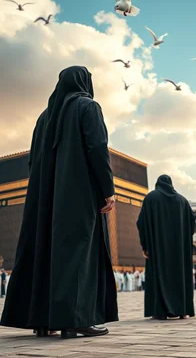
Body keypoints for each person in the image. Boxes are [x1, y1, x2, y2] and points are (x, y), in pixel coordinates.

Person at [1, 66, 118, 339]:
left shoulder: (44, 118)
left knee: (45, 252)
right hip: (78, 194)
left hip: (44, 199)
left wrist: (42, 192)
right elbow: (97, 148)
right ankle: (75, 320)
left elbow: (33, 161)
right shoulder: (88, 107)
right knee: (78, 251)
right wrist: (107, 189)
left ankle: (42, 320)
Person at [137, 174, 196, 320]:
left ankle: (160, 311)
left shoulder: (151, 198)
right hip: (179, 251)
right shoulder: (182, 201)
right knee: (179, 276)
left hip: (158, 249)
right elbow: (192, 222)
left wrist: (145, 245)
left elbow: (141, 223)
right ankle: (182, 310)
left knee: (159, 274)